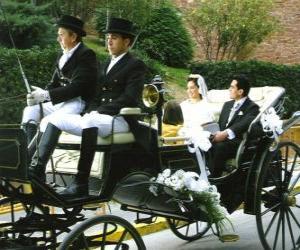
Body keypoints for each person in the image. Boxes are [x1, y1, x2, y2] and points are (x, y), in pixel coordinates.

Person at [29, 17, 147, 198]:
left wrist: (97, 111)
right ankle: (36, 169)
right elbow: (95, 95)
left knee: (90, 119)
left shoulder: (135, 65)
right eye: (108, 37)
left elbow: (130, 98)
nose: (109, 41)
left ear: (127, 42)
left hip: (120, 119)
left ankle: (81, 183)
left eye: (114, 37)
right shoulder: (106, 64)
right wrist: (91, 109)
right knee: (55, 118)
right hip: (98, 118)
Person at [21, 15, 98, 158]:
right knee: (30, 110)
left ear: (73, 36)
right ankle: (24, 154)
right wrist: (39, 97)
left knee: (47, 121)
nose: (58, 39)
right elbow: (54, 83)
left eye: (61, 35)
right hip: (61, 101)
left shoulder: (86, 55)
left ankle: (34, 162)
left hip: (77, 102)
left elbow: (77, 87)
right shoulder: (62, 55)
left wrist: (46, 95)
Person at [209, 74, 259, 178]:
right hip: (222, 139)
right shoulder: (227, 105)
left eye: (232, 87)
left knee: (219, 147)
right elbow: (220, 125)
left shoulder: (252, 107)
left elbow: (244, 124)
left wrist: (226, 133)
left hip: (240, 143)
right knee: (201, 144)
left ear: (240, 92)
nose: (229, 89)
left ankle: (214, 179)